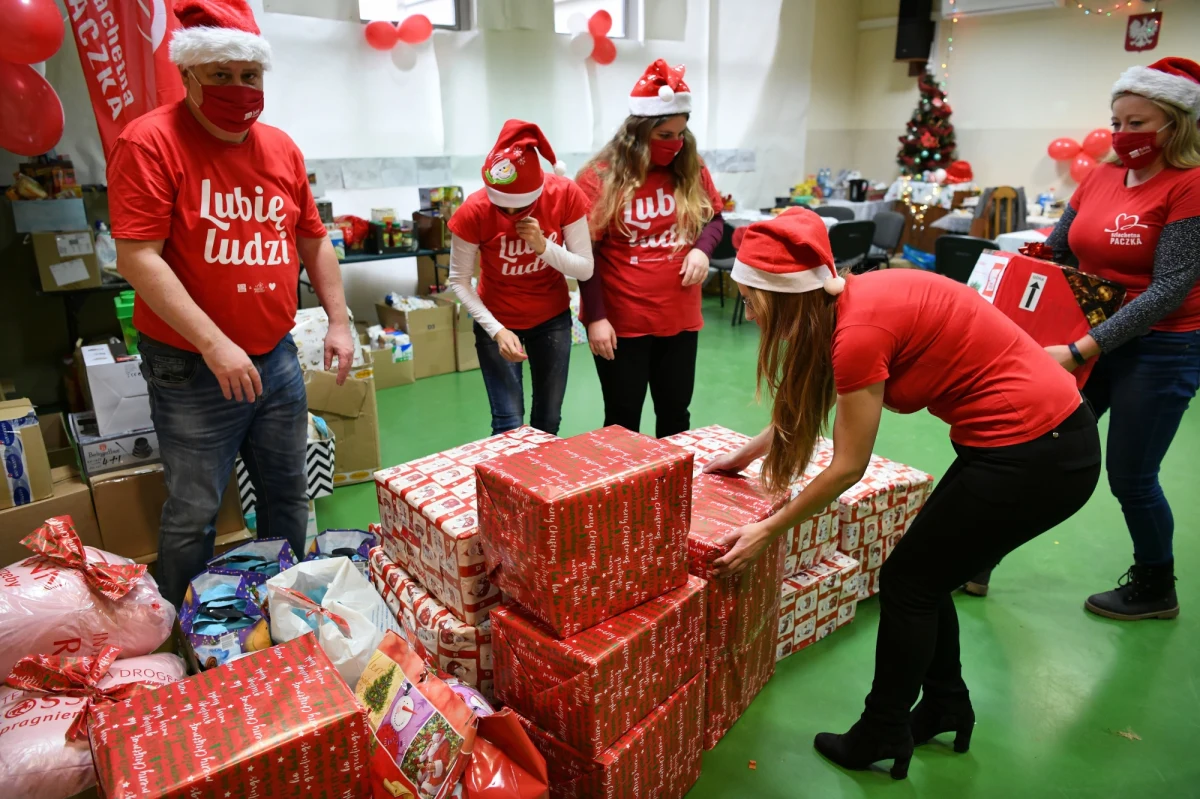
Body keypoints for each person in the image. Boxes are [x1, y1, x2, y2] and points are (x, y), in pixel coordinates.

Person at [705, 209, 1100, 779]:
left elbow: (846, 467)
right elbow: (816, 400)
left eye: (753, 298)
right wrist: (747, 453)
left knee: (908, 582)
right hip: (1024, 444)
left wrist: (767, 531)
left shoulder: (857, 332)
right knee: (927, 574)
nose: (749, 309)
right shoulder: (845, 300)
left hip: (1040, 455)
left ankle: (881, 730)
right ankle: (944, 704)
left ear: (785, 295)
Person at [106, 0, 353, 608]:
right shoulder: (150, 142)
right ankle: (176, 629)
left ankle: (284, 606)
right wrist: (216, 344)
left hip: (275, 357)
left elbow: (313, 240)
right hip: (191, 365)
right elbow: (138, 256)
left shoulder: (281, 149)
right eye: (219, 74)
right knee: (194, 509)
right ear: (187, 75)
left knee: (288, 494)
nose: (237, 89)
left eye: (249, 75)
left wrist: (341, 322)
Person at [987, 57, 1199, 620]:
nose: (1124, 135)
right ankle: (979, 555)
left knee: (1131, 475)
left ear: (1176, 124)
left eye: (1139, 123)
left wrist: (1084, 349)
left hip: (1161, 345)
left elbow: (1171, 288)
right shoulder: (1101, 175)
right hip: (1089, 335)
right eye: (1118, 122)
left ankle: (1157, 585)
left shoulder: (1190, 185)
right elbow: (1059, 247)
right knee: (1036, 450)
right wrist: (1011, 277)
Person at [577, 59, 725, 438]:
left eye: (681, 134)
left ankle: (670, 495)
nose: (675, 145)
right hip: (623, 322)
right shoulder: (599, 177)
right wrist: (595, 316)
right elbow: (585, 254)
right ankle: (624, 497)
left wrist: (702, 250)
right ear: (638, 132)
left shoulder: (690, 167)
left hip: (679, 317)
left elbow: (715, 219)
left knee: (676, 414)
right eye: (664, 135)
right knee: (622, 418)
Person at [448, 121, 593, 435]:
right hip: (497, 317)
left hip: (551, 318)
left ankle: (537, 484)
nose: (511, 217)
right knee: (508, 423)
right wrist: (497, 331)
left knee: (548, 420)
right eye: (502, 208)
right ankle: (506, 485)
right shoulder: (474, 210)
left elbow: (584, 268)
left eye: (521, 208)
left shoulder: (565, 194)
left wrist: (543, 247)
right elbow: (458, 280)